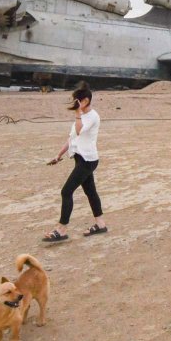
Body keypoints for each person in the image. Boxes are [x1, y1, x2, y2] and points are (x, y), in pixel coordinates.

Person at [44, 84, 107, 242]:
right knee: (90, 192)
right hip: (80, 158)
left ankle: (61, 230)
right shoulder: (81, 116)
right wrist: (58, 155)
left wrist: (78, 114)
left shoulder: (92, 116)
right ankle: (100, 224)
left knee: (66, 191)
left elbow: (79, 131)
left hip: (88, 160)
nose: (74, 103)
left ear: (85, 101)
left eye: (77, 100)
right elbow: (72, 137)